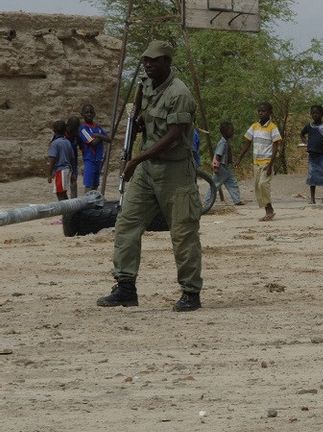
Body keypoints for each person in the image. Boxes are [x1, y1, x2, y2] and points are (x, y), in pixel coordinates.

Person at [96, 40, 203, 312]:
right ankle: (125, 286)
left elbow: (174, 135)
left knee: (183, 233)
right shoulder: (146, 84)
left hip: (175, 170)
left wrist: (136, 159)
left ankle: (190, 292)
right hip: (147, 170)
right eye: (145, 60)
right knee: (127, 223)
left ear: (167, 62)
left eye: (154, 61)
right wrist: (141, 120)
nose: (148, 65)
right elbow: (143, 118)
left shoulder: (179, 94)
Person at [237, 102, 282, 222]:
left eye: (264, 111)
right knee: (258, 188)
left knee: (263, 184)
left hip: (267, 162)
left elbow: (275, 147)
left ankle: (270, 210)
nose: (261, 113)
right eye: (260, 111)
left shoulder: (273, 128)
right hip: (256, 162)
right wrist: (240, 157)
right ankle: (268, 210)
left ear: (270, 113)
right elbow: (247, 143)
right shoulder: (254, 127)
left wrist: (271, 165)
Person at [300, 105, 323, 204]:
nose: (315, 115)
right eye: (313, 113)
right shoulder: (309, 126)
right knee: (312, 176)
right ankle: (312, 198)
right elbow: (302, 134)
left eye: (317, 113)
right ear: (310, 114)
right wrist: (306, 143)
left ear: (322, 114)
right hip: (312, 155)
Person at [78, 104, 110, 191]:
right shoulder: (83, 128)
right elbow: (93, 142)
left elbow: (109, 139)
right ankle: (87, 203)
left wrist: (97, 135)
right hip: (90, 159)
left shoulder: (97, 127)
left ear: (94, 114)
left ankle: (93, 203)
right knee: (89, 186)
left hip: (98, 159)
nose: (89, 114)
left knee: (95, 185)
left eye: (91, 112)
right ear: (82, 114)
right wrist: (101, 137)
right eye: (87, 112)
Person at [211, 121, 243, 205]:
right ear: (225, 132)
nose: (233, 132)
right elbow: (218, 155)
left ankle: (237, 200)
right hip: (221, 168)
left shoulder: (226, 142)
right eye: (231, 130)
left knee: (233, 183)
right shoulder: (222, 143)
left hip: (227, 167)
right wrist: (216, 167)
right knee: (215, 185)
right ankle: (208, 202)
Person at [47, 120, 74, 200]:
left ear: (54, 131)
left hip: (60, 171)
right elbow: (72, 158)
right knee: (63, 192)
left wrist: (49, 175)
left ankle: (67, 212)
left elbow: (52, 160)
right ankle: (69, 211)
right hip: (67, 169)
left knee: (60, 194)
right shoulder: (67, 142)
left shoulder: (55, 143)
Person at [64, 116, 81, 197]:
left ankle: (74, 202)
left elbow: (82, 146)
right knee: (63, 184)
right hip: (63, 162)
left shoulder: (76, 135)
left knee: (73, 181)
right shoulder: (61, 134)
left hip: (73, 161)